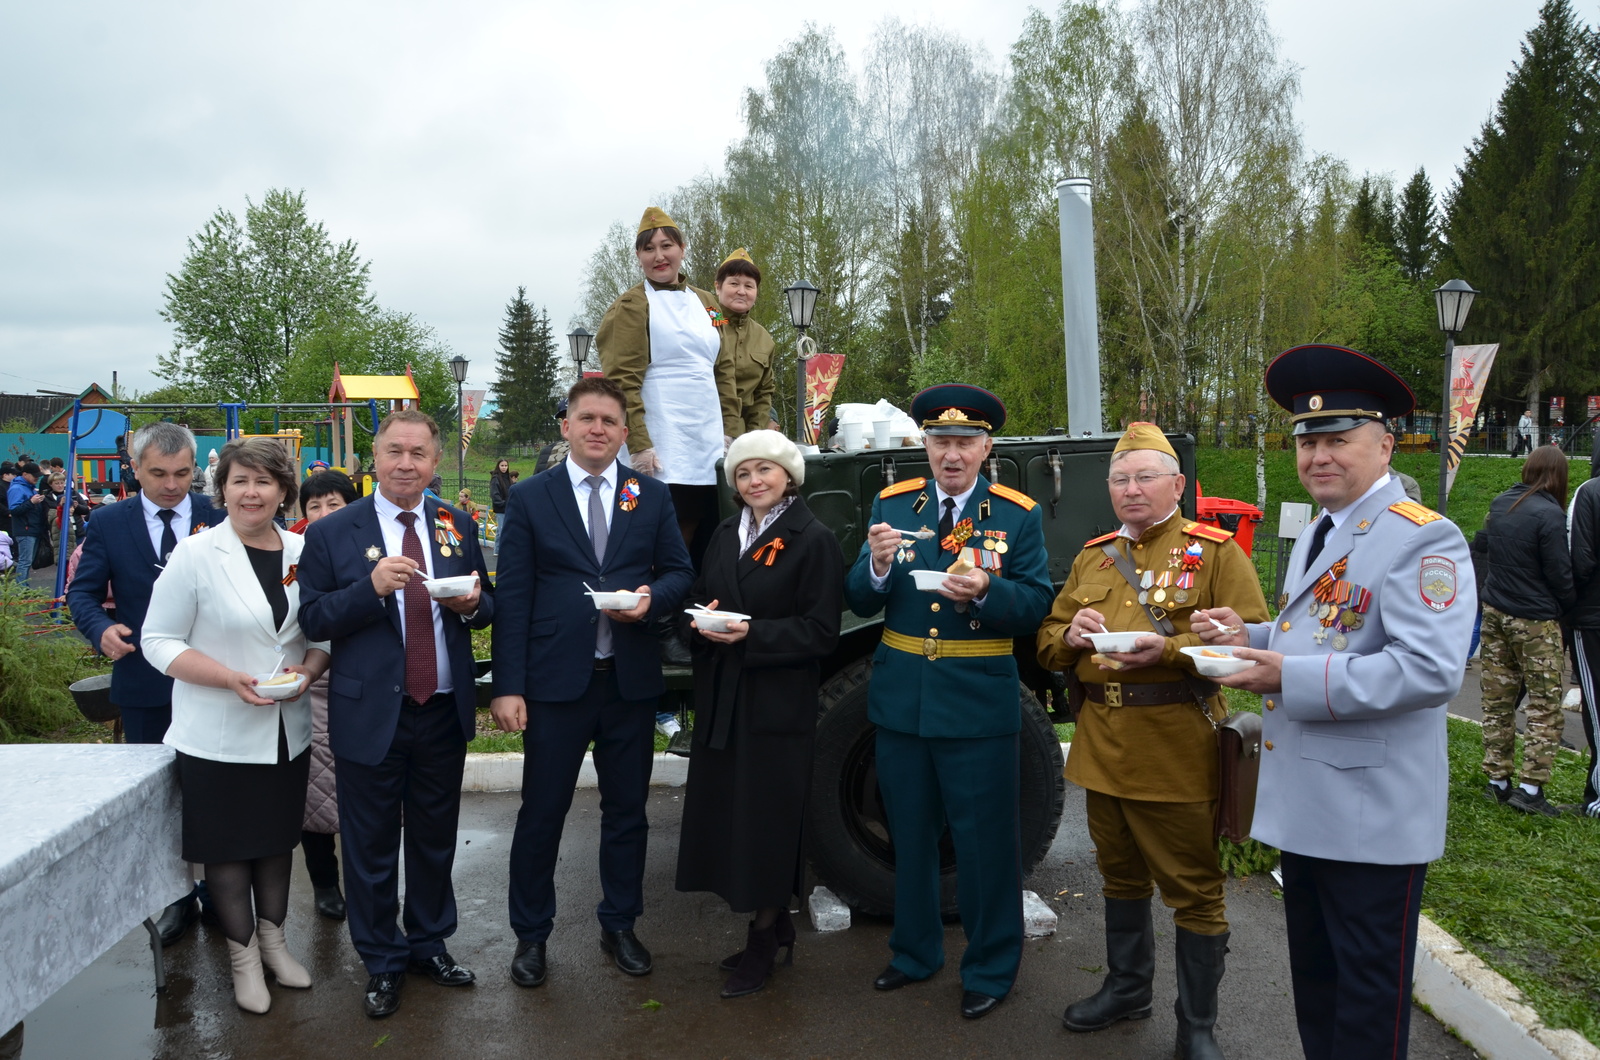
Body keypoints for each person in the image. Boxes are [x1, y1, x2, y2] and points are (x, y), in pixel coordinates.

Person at [1192, 344, 1475, 1060]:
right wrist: (1249, 633)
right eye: (1307, 440)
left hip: (1372, 818)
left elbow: (1429, 670)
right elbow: (1326, 631)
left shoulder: (1422, 537)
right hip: (1314, 806)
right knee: (1320, 991)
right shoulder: (1328, 528)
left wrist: (1282, 675)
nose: (1318, 455)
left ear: (1384, 445)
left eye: (1337, 440)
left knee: (1365, 1009)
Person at [1036, 423, 1269, 1059]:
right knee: (1120, 877)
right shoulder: (1093, 556)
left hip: (1175, 748)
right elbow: (1048, 642)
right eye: (1120, 478)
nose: (1131, 489)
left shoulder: (1217, 552)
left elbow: (1245, 646)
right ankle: (1126, 988)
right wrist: (1075, 635)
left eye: (1144, 477)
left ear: (1177, 484)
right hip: (1102, 745)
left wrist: (1164, 648)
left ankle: (1197, 1026)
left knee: (1193, 890)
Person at [842, 384, 1054, 1020]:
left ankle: (990, 967)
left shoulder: (1017, 515)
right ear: (925, 447)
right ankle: (914, 953)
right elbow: (858, 598)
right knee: (911, 837)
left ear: (987, 448)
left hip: (976, 705)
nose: (952, 454)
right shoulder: (892, 501)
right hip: (904, 702)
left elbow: (1037, 603)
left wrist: (989, 588)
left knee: (985, 845)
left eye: (965, 443)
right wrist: (876, 567)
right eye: (940, 442)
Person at [489, 377, 694, 990]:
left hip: (627, 682)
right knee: (542, 813)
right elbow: (515, 597)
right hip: (555, 686)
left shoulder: (650, 496)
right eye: (587, 418)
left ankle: (620, 923)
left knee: (628, 812)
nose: (598, 429)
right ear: (567, 426)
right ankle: (531, 936)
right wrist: (507, 685)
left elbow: (681, 572)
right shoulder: (531, 498)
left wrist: (651, 598)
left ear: (624, 432)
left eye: (609, 420)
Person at [298, 409, 494, 1019]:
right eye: (394, 452)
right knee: (371, 844)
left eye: (418, 454)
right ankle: (381, 961)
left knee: (435, 839)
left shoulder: (457, 524)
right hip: (370, 714)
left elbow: (487, 609)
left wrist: (472, 604)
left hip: (440, 708)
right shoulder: (333, 531)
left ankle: (429, 944)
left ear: (435, 462)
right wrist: (372, 587)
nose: (406, 463)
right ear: (373, 458)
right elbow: (314, 620)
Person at [141, 437, 327, 1014]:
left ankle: (274, 944)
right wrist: (227, 678)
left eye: (264, 482)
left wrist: (309, 671)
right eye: (240, 480)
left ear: (283, 492)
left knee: (275, 844)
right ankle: (244, 958)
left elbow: (320, 637)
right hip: (216, 732)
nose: (252, 492)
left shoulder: (304, 550)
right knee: (226, 851)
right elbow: (157, 641)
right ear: (221, 488)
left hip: (284, 729)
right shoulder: (196, 554)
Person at [676, 431, 842, 998]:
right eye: (743, 474)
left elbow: (823, 631)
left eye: (765, 471)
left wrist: (752, 635)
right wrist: (699, 621)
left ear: (788, 477)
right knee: (733, 819)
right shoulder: (725, 533)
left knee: (768, 820)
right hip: (725, 695)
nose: (754, 482)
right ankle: (773, 928)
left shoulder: (811, 538)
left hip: (775, 701)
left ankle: (765, 937)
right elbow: (701, 597)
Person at [67, 423, 223, 944]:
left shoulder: (216, 517)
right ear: (134, 469)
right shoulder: (109, 522)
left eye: (183, 473)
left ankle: (217, 893)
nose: (172, 485)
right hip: (142, 678)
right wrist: (101, 628)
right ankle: (175, 898)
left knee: (212, 792)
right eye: (158, 473)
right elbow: (82, 594)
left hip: (212, 680)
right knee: (157, 799)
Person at [596, 206, 739, 565]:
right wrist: (640, 444)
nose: (659, 256)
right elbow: (621, 381)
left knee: (710, 527)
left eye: (666, 245)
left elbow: (725, 367)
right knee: (663, 532)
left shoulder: (710, 303)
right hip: (663, 438)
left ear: (683, 248)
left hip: (708, 438)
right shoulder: (630, 306)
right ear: (639, 256)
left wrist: (732, 432)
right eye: (649, 248)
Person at [1471, 445, 1574, 816]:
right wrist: (1567, 607)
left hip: (1495, 612)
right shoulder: (1549, 514)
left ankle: (1497, 783)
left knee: (1498, 700)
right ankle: (1531, 790)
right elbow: (1560, 573)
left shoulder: (1501, 504)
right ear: (1557, 476)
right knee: (1544, 704)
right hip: (1534, 620)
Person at [292, 469, 363, 920]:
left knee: (362, 791)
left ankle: (364, 882)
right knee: (315, 791)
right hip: (311, 681)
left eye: (332, 505)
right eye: (313, 506)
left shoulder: (364, 547)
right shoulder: (289, 552)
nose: (321, 514)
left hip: (360, 678)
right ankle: (323, 882)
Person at [1563, 444, 1600, 818]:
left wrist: (1566, 605)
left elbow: (1579, 558)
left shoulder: (1589, 492)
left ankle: (1598, 799)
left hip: (1592, 618)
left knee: (1598, 709)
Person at [715, 248, 775, 436]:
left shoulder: (763, 338)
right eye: (734, 283)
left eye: (749, 286)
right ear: (718, 287)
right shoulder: (703, 323)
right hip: (702, 426)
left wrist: (754, 437)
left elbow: (763, 394)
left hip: (742, 435)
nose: (741, 291)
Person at [6, 462, 45, 586]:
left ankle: (24, 588)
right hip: (25, 529)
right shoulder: (17, 488)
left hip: (31, 528)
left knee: (27, 561)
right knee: (25, 561)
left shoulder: (29, 487)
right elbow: (14, 510)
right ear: (25, 474)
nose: (37, 478)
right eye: (34, 475)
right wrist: (32, 502)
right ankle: (21, 589)